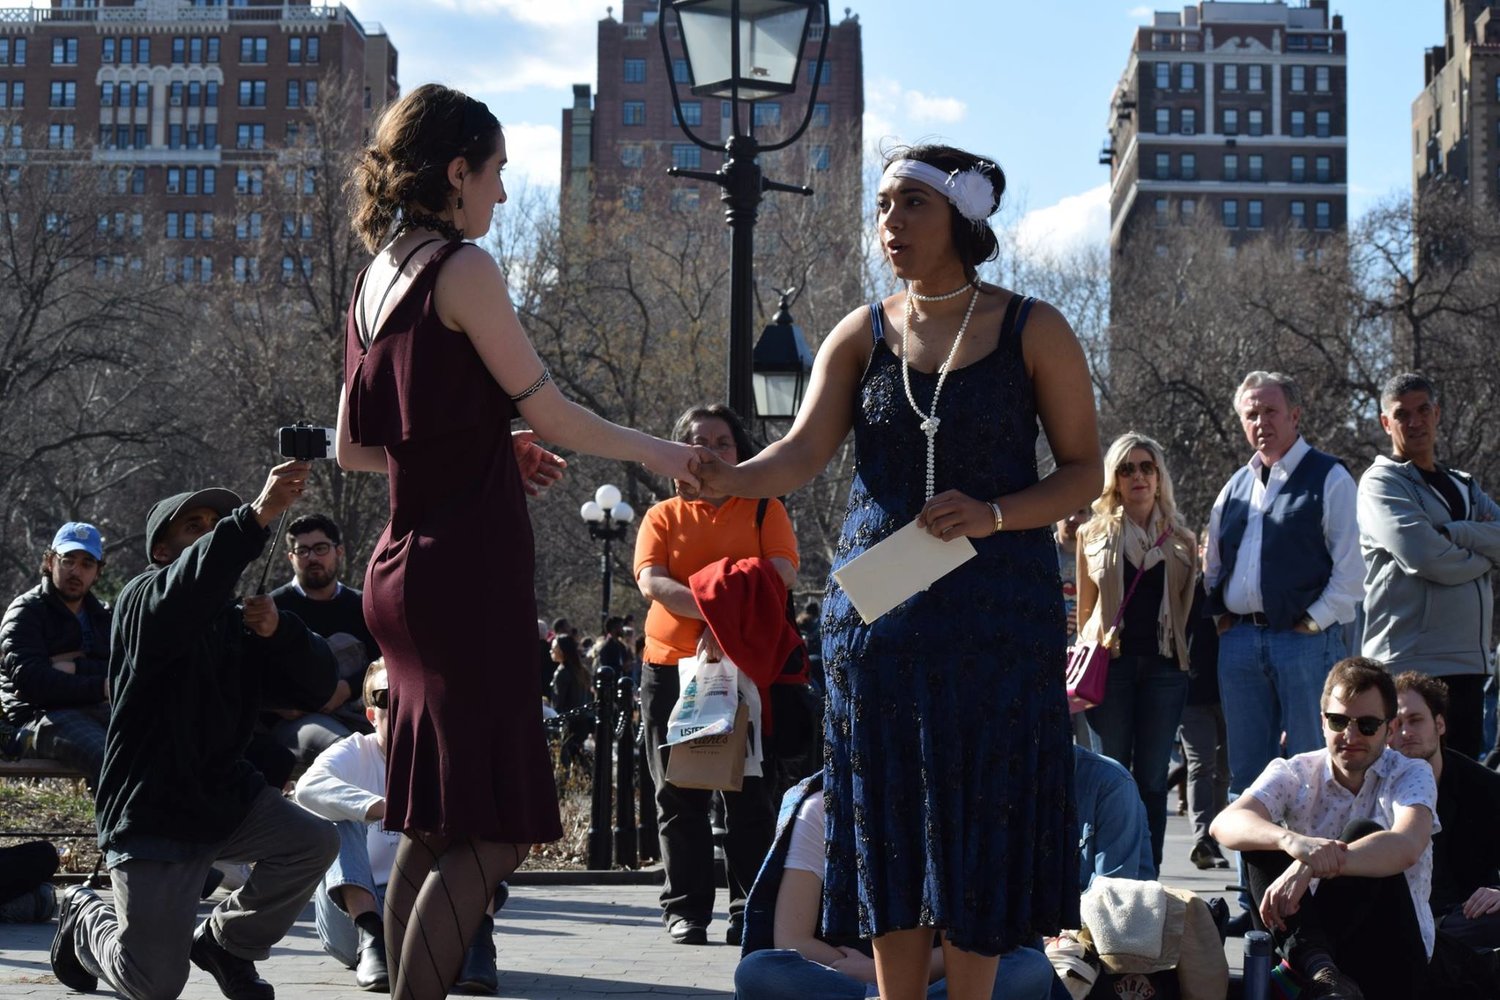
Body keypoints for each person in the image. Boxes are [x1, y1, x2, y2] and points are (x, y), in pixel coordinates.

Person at [695, 144, 1100, 1000]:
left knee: (981, 822)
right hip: (879, 624)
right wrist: (728, 479)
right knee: (890, 828)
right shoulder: (862, 330)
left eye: (911, 204)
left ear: (962, 215)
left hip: (999, 621)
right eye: (882, 206)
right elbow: (801, 451)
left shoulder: (1036, 327)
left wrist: (993, 513)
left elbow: (1082, 472)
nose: (891, 223)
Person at [337, 82, 700, 1000]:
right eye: (495, 175)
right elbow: (553, 410)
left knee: (436, 824)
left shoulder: (376, 276)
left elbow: (354, 448)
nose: (501, 195)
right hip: (466, 575)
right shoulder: (461, 268)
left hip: (401, 571)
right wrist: (662, 452)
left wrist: (487, 444)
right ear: (455, 172)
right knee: (497, 829)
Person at [50, 469, 342, 1000]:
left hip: (224, 796)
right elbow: (190, 583)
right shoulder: (142, 599)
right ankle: (85, 913)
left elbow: (318, 685)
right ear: (162, 550)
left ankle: (226, 944)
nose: (209, 533)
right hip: (154, 809)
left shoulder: (240, 621)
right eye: (194, 526)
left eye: (216, 523)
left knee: (313, 841)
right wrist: (252, 516)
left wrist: (282, 632)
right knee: (155, 983)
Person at [633, 403, 798, 947]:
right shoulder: (661, 516)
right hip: (669, 667)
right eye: (697, 441)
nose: (710, 451)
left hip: (741, 671)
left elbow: (781, 573)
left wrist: (727, 627)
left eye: (722, 442)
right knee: (678, 794)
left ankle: (749, 907)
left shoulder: (762, 508)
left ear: (739, 452)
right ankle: (685, 911)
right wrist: (716, 614)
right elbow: (653, 581)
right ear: (679, 454)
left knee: (747, 791)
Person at [1210, 657, 1437, 1000]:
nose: (1350, 735)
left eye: (1367, 725)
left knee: (1363, 832)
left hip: (1389, 950)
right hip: (1309, 951)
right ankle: (1320, 971)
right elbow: (1224, 824)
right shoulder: (1297, 770)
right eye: (1338, 721)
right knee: (1260, 837)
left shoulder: (1410, 773)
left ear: (1390, 730)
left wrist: (1312, 861)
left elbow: (1407, 844)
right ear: (1322, 722)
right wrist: (1294, 842)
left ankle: (1314, 972)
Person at [734, 774, 1062, 1000]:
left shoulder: (962, 810)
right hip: (840, 974)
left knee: (1027, 968)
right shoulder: (822, 809)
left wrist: (876, 973)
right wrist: (869, 978)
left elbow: (991, 940)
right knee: (758, 971)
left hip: (944, 976)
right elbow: (791, 939)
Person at [293, 659, 503, 994]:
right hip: (353, 918)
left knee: (475, 819)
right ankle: (372, 939)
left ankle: (480, 944)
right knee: (334, 818)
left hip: (427, 911)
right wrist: (388, 809)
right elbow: (307, 789)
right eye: (386, 698)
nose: (402, 707)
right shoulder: (354, 753)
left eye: (410, 695)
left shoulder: (445, 757)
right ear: (371, 715)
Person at [1205, 370, 1363, 798]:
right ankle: (1255, 868)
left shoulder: (1330, 477)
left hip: (1305, 644)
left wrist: (1312, 624)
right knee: (1248, 780)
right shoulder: (1233, 487)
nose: (1261, 422)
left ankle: (1315, 866)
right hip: (1239, 644)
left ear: (1295, 415)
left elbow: (1351, 571)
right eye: (1251, 414)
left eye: (1271, 411)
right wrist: (1223, 619)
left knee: (1315, 771)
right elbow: (1213, 566)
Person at [1359, 373, 1500, 760]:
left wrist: (1457, 532)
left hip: (1469, 666)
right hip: (1409, 667)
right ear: (1386, 424)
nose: (1415, 422)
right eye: (1402, 414)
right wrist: (1485, 559)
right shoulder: (1381, 484)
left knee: (1460, 793)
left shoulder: (1463, 484)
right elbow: (1425, 558)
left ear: (1437, 413)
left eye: (1423, 410)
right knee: (1408, 792)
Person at [1074, 432, 1196, 868]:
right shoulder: (1093, 533)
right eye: (1127, 469)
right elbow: (1087, 609)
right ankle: (1104, 880)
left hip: (1165, 670)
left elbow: (1184, 612)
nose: (1138, 476)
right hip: (1112, 668)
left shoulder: (1182, 540)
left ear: (1160, 476)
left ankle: (1148, 878)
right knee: (1110, 775)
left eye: (1147, 467)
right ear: (1115, 479)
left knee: (1151, 780)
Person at [1389, 671, 1500, 952]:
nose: (1406, 733)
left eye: (1415, 720)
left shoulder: (1483, 785)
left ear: (1439, 724)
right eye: (1396, 724)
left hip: (1465, 917)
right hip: (1396, 921)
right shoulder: (1372, 785)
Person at [0, 522, 113, 787]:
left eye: (87, 564)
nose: (76, 571)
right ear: (50, 562)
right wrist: (101, 686)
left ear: (97, 572)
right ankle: (123, 829)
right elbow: (32, 683)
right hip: (36, 718)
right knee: (110, 759)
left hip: (95, 711)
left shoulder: (103, 615)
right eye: (68, 560)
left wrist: (73, 667)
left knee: (156, 748)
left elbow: (123, 669)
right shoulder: (26, 611)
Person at [268, 513, 380, 768]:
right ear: (291, 558)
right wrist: (279, 704)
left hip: (362, 711)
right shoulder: (272, 609)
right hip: (296, 724)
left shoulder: (364, 605)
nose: (312, 558)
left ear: (338, 551)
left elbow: (384, 661)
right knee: (345, 749)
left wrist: (347, 688)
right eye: (302, 551)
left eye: (320, 548)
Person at [549, 633, 592, 777]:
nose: (551, 650)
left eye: (554, 648)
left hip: (567, 721)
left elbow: (558, 703)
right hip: (582, 721)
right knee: (578, 756)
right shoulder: (580, 670)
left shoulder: (562, 673)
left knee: (565, 759)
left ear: (562, 651)